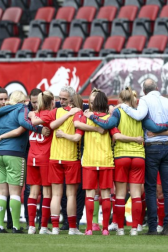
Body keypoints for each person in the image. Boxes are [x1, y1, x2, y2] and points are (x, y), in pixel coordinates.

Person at [85, 88, 168, 236]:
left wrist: (91, 116)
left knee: (120, 195)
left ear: (120, 99)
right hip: (139, 157)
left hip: (121, 156)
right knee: (136, 195)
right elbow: (156, 128)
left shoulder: (118, 113)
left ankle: (120, 229)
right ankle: (134, 229)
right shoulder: (141, 114)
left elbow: (107, 125)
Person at [119, 78, 168, 236]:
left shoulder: (145, 100)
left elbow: (139, 116)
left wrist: (124, 107)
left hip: (152, 147)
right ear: (157, 87)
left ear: (143, 90)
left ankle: (153, 226)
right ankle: (167, 225)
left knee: (151, 189)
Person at [0, 91, 49, 233]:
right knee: (14, 193)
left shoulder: (1, 112)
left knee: (1, 192)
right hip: (14, 154)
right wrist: (39, 129)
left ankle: (0, 226)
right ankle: (16, 227)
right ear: (22, 101)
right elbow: (24, 123)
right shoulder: (21, 109)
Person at [57, 91, 118, 236]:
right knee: (105, 195)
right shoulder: (109, 118)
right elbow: (115, 136)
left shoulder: (84, 117)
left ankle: (89, 228)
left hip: (89, 159)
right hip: (106, 159)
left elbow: (77, 131)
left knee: (90, 195)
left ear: (93, 103)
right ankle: (104, 229)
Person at [0, 90, 54, 235]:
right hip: (45, 157)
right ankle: (43, 227)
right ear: (51, 102)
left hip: (31, 157)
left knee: (33, 193)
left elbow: (20, 129)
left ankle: (30, 226)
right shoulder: (50, 114)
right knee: (46, 193)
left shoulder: (30, 115)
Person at [38, 86, 84, 235]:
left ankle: (64, 228)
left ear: (71, 98)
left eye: (64, 99)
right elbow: (50, 126)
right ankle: (65, 228)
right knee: (65, 194)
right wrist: (69, 113)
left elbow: (51, 125)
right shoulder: (75, 113)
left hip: (63, 158)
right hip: (66, 158)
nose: (61, 101)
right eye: (60, 98)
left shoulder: (60, 112)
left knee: (61, 195)